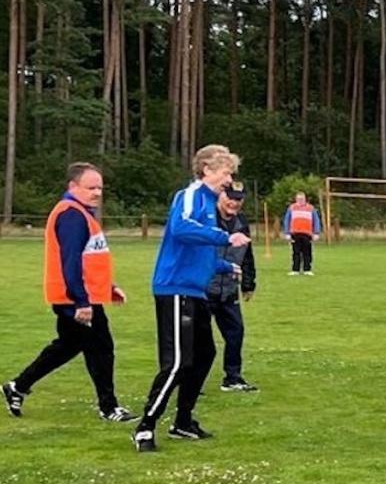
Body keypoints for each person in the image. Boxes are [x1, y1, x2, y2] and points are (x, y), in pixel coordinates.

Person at [132, 144, 251, 453]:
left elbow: (200, 249)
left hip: (195, 291)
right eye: (226, 172)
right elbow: (182, 229)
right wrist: (225, 238)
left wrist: (225, 265)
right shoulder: (190, 195)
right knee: (177, 363)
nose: (229, 179)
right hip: (175, 288)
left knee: (205, 354)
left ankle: (183, 422)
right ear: (207, 169)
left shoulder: (210, 204)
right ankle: (145, 427)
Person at [3, 163, 138, 422]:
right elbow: (71, 261)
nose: (97, 192)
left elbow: (90, 259)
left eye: (100, 187)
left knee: (67, 346)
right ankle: (108, 407)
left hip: (80, 296)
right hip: (75, 298)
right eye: (91, 187)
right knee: (101, 348)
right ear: (73, 187)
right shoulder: (72, 214)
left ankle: (17, 386)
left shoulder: (82, 214)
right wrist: (81, 301)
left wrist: (108, 287)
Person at [205, 182, 258, 392]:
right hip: (204, 288)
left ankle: (233, 377)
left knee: (236, 332)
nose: (234, 203)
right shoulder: (207, 219)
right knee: (199, 337)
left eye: (238, 199)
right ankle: (190, 379)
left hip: (229, 289)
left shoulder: (242, 223)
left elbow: (247, 255)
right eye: (230, 197)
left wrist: (248, 284)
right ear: (220, 196)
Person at [283, 192, 321, 275]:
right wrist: (287, 233)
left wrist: (316, 233)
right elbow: (287, 220)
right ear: (296, 199)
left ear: (305, 199)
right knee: (296, 252)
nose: (300, 201)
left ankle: (307, 269)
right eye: (299, 199)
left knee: (307, 252)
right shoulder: (292, 208)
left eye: (302, 199)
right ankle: (295, 269)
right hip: (295, 233)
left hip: (307, 234)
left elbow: (316, 220)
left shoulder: (311, 208)